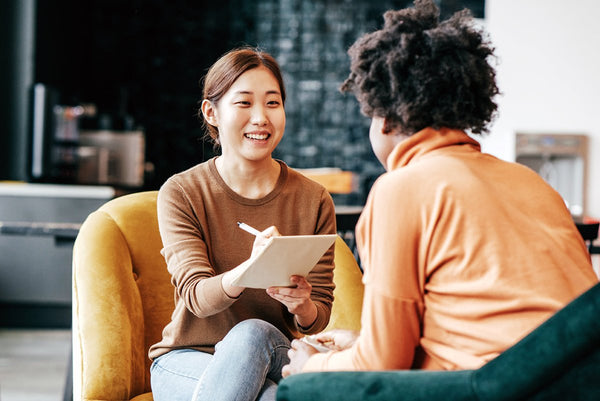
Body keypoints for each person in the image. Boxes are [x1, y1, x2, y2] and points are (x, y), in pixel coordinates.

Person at [283, 0, 598, 376]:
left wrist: (313, 366)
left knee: (305, 387)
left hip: (498, 385)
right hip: (580, 379)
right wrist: (358, 342)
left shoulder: (400, 189)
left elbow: (384, 363)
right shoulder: (530, 181)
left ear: (384, 119)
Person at [148, 47, 336, 401]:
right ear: (211, 112)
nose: (261, 117)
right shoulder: (182, 192)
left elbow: (318, 316)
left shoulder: (314, 199)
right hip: (187, 359)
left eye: (272, 103)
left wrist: (302, 304)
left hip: (274, 352)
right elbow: (196, 297)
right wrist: (252, 268)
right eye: (244, 103)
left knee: (253, 333)